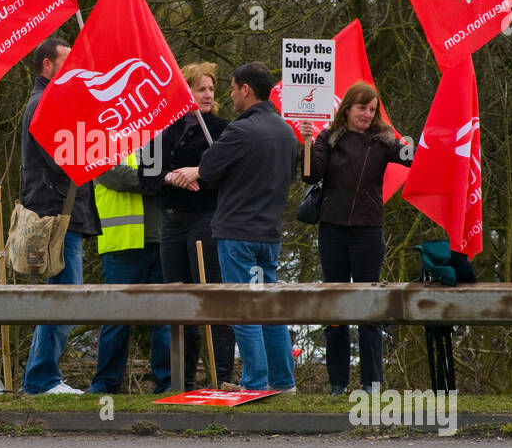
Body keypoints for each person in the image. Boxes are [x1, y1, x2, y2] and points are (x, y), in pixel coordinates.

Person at [171, 61, 297, 393]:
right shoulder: (286, 131)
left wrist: (192, 171)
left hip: (237, 234)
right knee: (270, 308)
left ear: (246, 89)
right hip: (269, 235)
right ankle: (283, 381)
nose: (228, 94)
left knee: (243, 309)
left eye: (231, 87)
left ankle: (254, 381)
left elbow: (210, 168)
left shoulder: (240, 131)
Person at [300, 82, 412, 396]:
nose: (366, 114)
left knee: (369, 309)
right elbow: (310, 174)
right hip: (332, 231)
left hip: (368, 231)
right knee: (336, 310)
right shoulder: (328, 138)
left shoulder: (384, 140)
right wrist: (308, 141)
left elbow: (414, 158)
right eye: (361, 108)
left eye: (372, 109)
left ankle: (372, 383)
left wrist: (430, 140)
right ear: (348, 108)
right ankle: (337, 384)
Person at [140, 61, 234, 390]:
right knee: (177, 300)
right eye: (201, 89)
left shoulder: (222, 130)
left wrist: (199, 172)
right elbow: (145, 174)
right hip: (171, 223)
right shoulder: (162, 128)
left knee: (211, 298)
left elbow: (229, 174)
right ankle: (182, 380)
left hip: (206, 219)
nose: (208, 94)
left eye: (211, 89)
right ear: (185, 92)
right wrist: (172, 177)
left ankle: (222, 377)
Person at [20, 36, 100, 394]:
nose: (75, 68)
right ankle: (42, 379)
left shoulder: (51, 101)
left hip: (64, 213)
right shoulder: (45, 103)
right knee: (64, 298)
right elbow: (64, 158)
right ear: (47, 66)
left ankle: (39, 379)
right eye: (67, 61)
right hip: (58, 215)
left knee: (61, 295)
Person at [87, 153, 170, 396]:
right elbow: (120, 178)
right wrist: (165, 178)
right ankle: (106, 384)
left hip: (161, 239)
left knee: (164, 318)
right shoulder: (101, 142)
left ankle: (168, 383)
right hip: (122, 244)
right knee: (117, 318)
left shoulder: (157, 140)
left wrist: (165, 177)